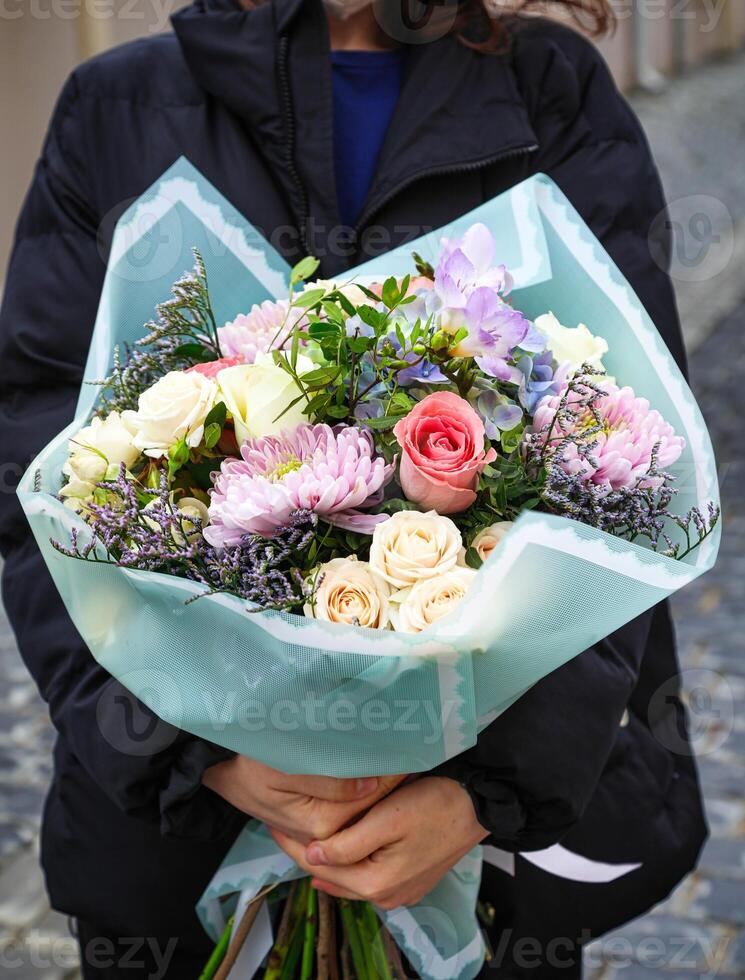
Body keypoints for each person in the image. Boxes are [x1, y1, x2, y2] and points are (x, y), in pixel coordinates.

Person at [0, 1, 706, 977]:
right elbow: (37, 468)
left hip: (472, 863)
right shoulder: (118, 103)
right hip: (173, 849)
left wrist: (481, 797)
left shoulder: (550, 90)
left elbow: (633, 470)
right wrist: (197, 755)